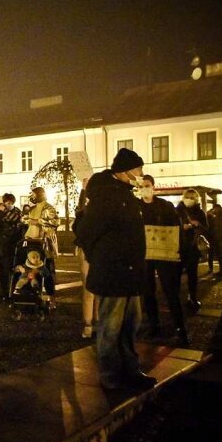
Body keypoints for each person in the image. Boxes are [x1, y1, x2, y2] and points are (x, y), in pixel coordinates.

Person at [75, 148, 156, 391]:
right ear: (125, 171)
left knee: (131, 324)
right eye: (138, 169)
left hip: (131, 272)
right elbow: (86, 232)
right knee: (111, 326)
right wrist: (101, 258)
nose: (141, 173)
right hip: (113, 272)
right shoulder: (106, 196)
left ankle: (131, 370)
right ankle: (110, 375)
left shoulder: (127, 194)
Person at [139, 175, 188, 345]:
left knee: (170, 291)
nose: (144, 189)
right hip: (145, 255)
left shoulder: (165, 206)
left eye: (147, 185)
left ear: (153, 187)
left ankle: (180, 328)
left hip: (165, 254)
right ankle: (154, 326)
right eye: (141, 186)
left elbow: (176, 228)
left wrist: (178, 251)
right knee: (148, 292)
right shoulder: (136, 207)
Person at [24, 187, 59, 306]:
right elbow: (26, 220)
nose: (31, 197)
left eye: (33, 194)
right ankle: (35, 293)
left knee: (46, 270)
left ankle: (51, 296)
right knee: (32, 269)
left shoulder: (49, 208)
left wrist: (39, 221)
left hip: (44, 243)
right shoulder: (32, 209)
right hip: (31, 241)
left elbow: (56, 222)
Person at [73, 178, 98, 339]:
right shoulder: (84, 212)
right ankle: (88, 323)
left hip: (100, 252)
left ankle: (99, 321)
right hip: (87, 252)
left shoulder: (104, 210)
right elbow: (80, 210)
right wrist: (83, 190)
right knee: (89, 289)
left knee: (100, 289)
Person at [175, 188, 208, 310]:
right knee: (176, 274)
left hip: (193, 247)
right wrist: (181, 227)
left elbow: (206, 230)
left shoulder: (200, 213)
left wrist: (198, 225)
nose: (189, 199)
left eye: (192, 197)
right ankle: (175, 298)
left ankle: (193, 298)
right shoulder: (176, 211)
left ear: (196, 199)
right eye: (187, 196)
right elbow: (169, 227)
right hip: (177, 247)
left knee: (192, 275)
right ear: (183, 197)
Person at [0, 193, 24, 299]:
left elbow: (20, 227)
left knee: (15, 267)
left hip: (14, 243)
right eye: (6, 202)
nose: (8, 204)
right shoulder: (1, 212)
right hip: (3, 244)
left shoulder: (18, 212)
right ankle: (5, 291)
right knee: (3, 269)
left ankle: (15, 289)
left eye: (10, 202)